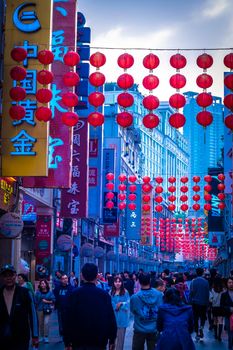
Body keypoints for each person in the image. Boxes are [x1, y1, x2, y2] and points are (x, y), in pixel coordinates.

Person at [64, 263, 117, 350]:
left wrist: (67, 341)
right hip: (99, 342)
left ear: (81, 276)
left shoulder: (74, 294)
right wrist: (112, 339)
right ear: (97, 276)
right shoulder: (104, 295)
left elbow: (68, 319)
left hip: (78, 342)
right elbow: (110, 318)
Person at [0, 264, 39, 350]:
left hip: (21, 338)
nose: (8, 278)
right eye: (5, 276)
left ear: (15, 276)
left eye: (11, 275)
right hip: (2, 338)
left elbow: (33, 314)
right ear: (2, 278)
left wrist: (35, 335)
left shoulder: (25, 293)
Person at [130, 273, 163, 350]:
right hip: (154, 328)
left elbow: (133, 311)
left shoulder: (134, 297)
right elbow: (161, 309)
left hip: (139, 328)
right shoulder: (159, 295)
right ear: (150, 281)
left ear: (139, 282)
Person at [189, 267, 209, 341]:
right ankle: (201, 327)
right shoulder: (206, 282)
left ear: (196, 273)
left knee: (196, 318)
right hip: (203, 303)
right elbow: (207, 294)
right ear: (202, 273)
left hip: (195, 303)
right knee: (203, 317)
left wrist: (190, 301)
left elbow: (191, 293)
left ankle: (197, 333)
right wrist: (207, 304)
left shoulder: (193, 281)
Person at [110, 276, 130, 350]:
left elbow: (128, 303)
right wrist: (116, 306)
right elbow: (109, 303)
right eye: (116, 281)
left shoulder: (125, 292)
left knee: (120, 340)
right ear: (113, 283)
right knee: (112, 339)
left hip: (122, 319)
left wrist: (121, 304)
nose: (117, 283)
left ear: (122, 283)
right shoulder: (111, 292)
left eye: (119, 281)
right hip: (113, 319)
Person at [53, 273, 74, 344]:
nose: (65, 280)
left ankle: (68, 335)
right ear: (61, 280)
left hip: (69, 308)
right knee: (61, 322)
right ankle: (62, 335)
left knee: (68, 322)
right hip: (60, 308)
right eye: (63, 279)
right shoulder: (58, 288)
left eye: (66, 278)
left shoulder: (71, 288)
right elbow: (54, 296)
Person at [35, 278, 55, 344]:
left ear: (46, 284)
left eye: (43, 283)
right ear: (40, 285)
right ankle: (41, 336)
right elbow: (35, 301)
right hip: (39, 309)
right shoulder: (37, 292)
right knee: (41, 324)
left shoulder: (50, 292)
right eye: (41, 284)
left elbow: (53, 300)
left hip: (47, 310)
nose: (42, 285)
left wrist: (47, 301)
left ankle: (46, 337)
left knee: (46, 323)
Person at [220, 277, 233, 349]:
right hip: (228, 317)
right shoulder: (224, 295)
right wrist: (229, 309)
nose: (231, 284)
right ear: (227, 284)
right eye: (229, 282)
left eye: (232, 282)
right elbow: (222, 306)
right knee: (230, 335)